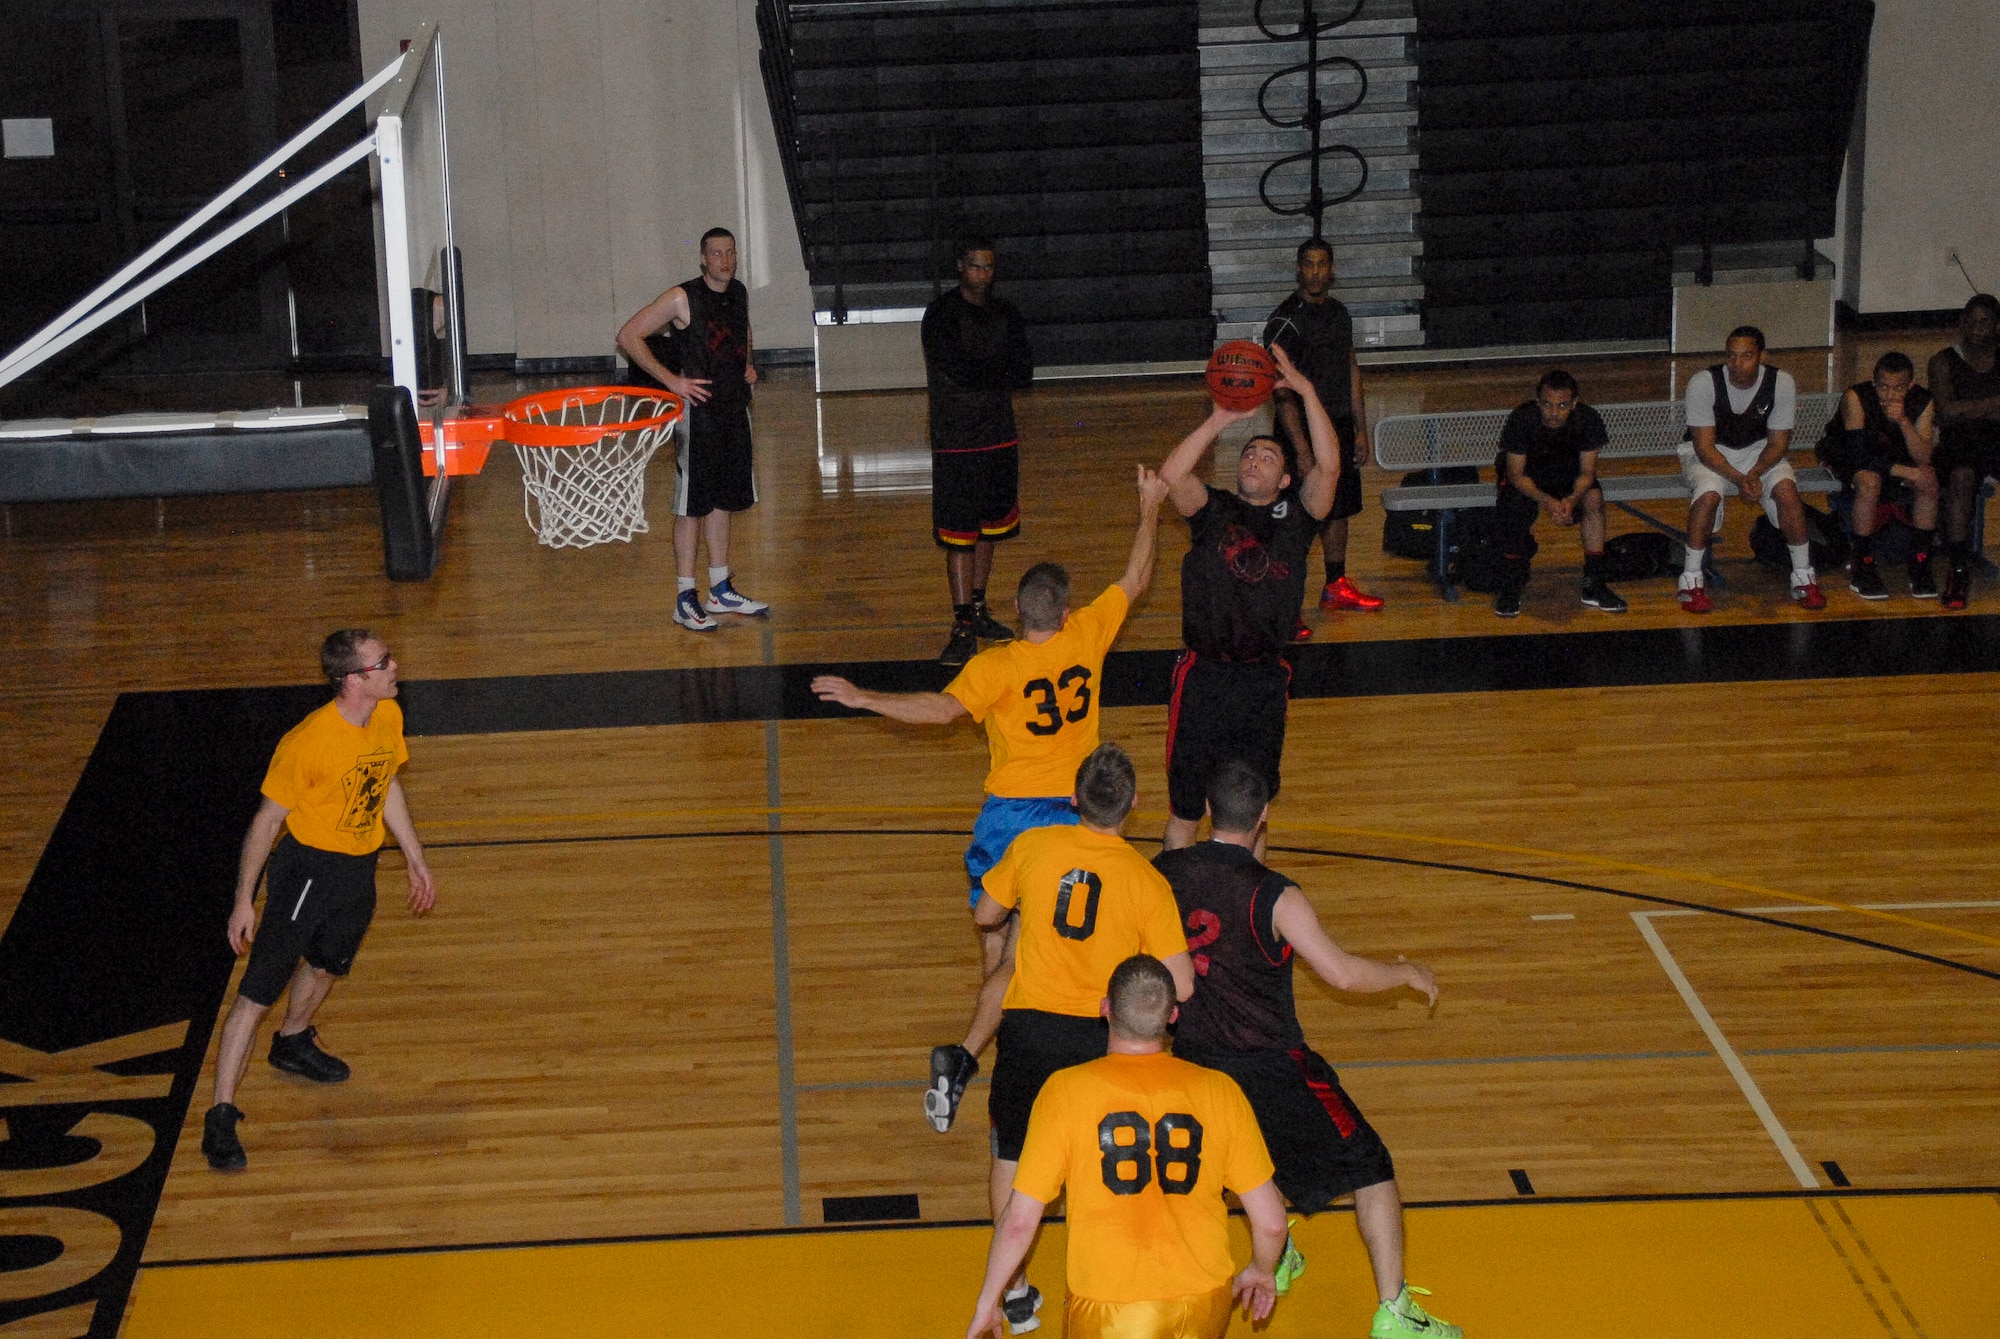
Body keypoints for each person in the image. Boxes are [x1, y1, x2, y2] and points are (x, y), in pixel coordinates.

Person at [810, 469, 1172, 1137]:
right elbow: (1138, 576)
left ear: (1016, 606)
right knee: (1026, 955)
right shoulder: (1087, 633)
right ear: (1064, 612)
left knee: (997, 940)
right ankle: (988, 1044)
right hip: (1071, 814)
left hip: (1007, 818)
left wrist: (864, 697)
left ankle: (989, 1046)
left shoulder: (996, 666)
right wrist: (1149, 508)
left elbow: (939, 709)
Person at [1155, 761, 1461, 1339]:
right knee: (1373, 1169)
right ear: (1264, 815)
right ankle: (1395, 1314)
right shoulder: (1274, 894)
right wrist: (1404, 972)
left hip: (1194, 1064)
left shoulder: (1167, 871)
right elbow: (1341, 974)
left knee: (1239, 1162)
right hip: (1271, 1066)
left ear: (1210, 810)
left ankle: (1283, 1251)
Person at [971, 745, 1196, 1334]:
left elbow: (985, 916)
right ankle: (1110, 1281)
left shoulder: (1033, 847)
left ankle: (1014, 1290)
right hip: (1102, 1040)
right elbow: (1185, 985)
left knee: (1013, 1157)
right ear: (1134, 807)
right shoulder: (1146, 880)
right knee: (1097, 1166)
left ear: (1072, 799)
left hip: (1028, 1030)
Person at [201, 630, 437, 1171]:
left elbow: (386, 783)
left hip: (357, 869)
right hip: (306, 872)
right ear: (355, 679)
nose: (396, 665)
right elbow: (265, 823)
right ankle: (220, 1115)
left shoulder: (387, 717)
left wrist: (415, 857)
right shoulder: (307, 742)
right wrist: (244, 900)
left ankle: (292, 1042)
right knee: (257, 993)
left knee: (329, 964)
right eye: (384, 662)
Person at [965, 955, 1288, 1339]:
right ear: (1172, 1016)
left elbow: (1019, 1222)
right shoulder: (1221, 1091)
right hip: (1204, 1297)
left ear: (1105, 1009)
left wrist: (989, 1300)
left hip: (1110, 1307)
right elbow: (1270, 1221)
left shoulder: (1065, 1092)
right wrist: (1261, 1271)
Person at [1158, 343, 1339, 857]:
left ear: (1284, 480)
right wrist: (1219, 418)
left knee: (1253, 811)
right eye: (1249, 453)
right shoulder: (1213, 511)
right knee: (1185, 809)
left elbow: (1328, 469)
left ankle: (1248, 914)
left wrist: (1304, 391)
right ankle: (1176, 912)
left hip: (1262, 679)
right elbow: (1173, 475)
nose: (1255, 459)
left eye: (1268, 456)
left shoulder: (1298, 519)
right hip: (1203, 677)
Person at [616, 226, 769, 632]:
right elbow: (629, 335)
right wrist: (671, 381)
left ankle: (720, 588)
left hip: (735, 410)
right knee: (692, 507)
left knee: (723, 500)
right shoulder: (682, 297)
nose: (725, 260)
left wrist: (747, 364)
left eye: (730, 252)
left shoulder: (738, 292)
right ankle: (685, 597)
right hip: (697, 416)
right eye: (716, 254)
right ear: (703, 259)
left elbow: (744, 330)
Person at [924, 235, 1036, 666]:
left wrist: (990, 369)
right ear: (959, 266)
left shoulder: (1007, 313)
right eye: (975, 266)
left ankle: (978, 607)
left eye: (989, 267)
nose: (982, 274)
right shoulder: (941, 315)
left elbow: (1023, 371)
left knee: (991, 528)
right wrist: (995, 368)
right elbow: (960, 370)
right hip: (956, 439)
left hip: (1000, 436)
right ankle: (961, 624)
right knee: (959, 532)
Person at [1263, 235, 1384, 632]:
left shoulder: (1340, 314)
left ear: (1331, 270)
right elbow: (1281, 391)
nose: (1316, 271)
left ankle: (1335, 586)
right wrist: (1301, 450)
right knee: (1297, 519)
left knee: (1340, 509)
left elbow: (1352, 369)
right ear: (1298, 269)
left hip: (1339, 427)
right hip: (1301, 432)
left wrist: (1360, 430)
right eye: (1309, 264)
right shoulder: (1284, 320)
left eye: (1322, 264)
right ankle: (1286, 604)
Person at [1675, 325, 1825, 612]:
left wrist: (1754, 473)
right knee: (1708, 494)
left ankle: (1804, 577)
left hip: (1758, 451)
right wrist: (1740, 478)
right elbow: (1704, 448)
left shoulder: (1781, 383)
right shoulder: (1703, 383)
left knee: (1787, 491)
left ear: (1762, 357)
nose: (1736, 364)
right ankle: (1690, 580)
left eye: (1746, 356)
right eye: (1731, 357)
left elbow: (1778, 443)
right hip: (1710, 453)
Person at [1490, 368, 1627, 617]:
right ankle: (1512, 583)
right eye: (1547, 405)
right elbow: (1516, 475)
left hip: (1567, 478)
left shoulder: (1588, 419)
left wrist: (1571, 499)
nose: (1554, 413)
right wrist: (1549, 502)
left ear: (1574, 403)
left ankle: (1594, 583)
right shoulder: (1521, 420)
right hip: (1529, 478)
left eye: (1562, 405)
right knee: (1512, 505)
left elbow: (1587, 473)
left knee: (1593, 498)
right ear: (1538, 401)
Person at [1820, 352, 1937, 599]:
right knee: (1870, 481)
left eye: (1898, 388)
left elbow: (1924, 457)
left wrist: (1904, 422)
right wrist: (1906, 472)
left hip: (1894, 457)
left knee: (1927, 479)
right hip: (1849, 456)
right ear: (1874, 383)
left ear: (1911, 385)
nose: (1890, 395)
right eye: (1883, 387)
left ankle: (1920, 563)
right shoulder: (1856, 397)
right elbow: (1859, 455)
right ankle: (1863, 564)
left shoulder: (1922, 401)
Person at [1930, 294, 2000, 609]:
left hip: (1995, 438)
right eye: (1969, 321)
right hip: (1959, 440)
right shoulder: (1943, 361)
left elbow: (1958, 408)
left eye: (1984, 321)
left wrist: (1967, 408)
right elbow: (1945, 413)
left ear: (1996, 325)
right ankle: (1958, 567)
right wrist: (1992, 404)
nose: (1975, 328)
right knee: (1961, 477)